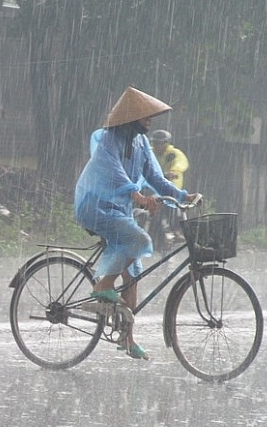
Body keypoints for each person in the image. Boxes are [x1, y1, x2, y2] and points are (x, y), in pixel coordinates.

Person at [74, 86, 201, 361]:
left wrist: (180, 195)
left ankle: (127, 338)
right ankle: (103, 286)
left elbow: (156, 176)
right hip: (95, 206)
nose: (149, 121)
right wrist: (137, 196)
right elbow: (114, 172)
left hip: (119, 210)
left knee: (133, 275)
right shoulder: (110, 140)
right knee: (141, 241)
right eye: (145, 117)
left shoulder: (142, 144)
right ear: (131, 118)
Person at [150, 129, 189, 240]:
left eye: (160, 143)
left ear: (166, 143)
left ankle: (176, 230)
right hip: (153, 185)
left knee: (173, 205)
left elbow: (181, 162)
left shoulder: (173, 153)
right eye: (155, 143)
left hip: (171, 185)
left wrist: (173, 171)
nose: (158, 146)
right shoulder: (150, 152)